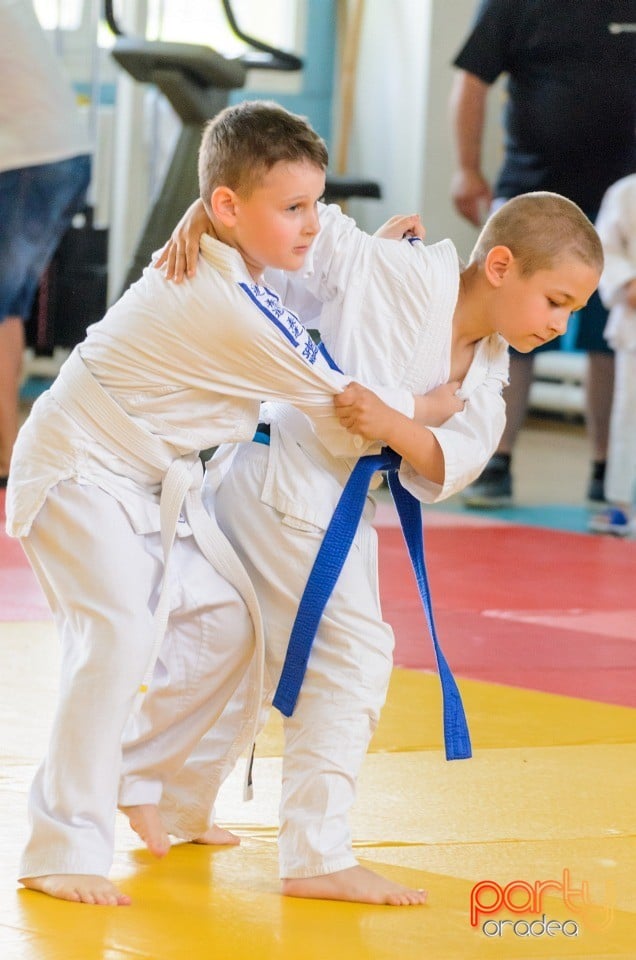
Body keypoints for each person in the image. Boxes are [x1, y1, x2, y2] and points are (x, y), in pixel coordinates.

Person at [121, 191, 602, 905]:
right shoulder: (397, 271)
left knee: (260, 651)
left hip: (315, 492)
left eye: (572, 313)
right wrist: (207, 211)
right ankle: (313, 854)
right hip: (283, 475)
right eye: (555, 301)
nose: (559, 324)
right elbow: (303, 219)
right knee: (353, 655)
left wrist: (395, 417)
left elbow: (453, 460)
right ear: (500, 265)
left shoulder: (490, 368)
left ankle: (171, 792)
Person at [4, 100, 423, 907]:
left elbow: (278, 232)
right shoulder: (225, 304)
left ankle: (140, 774)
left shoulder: (225, 250)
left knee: (229, 622)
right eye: (293, 209)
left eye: (317, 205)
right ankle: (61, 847)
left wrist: (367, 251)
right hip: (74, 470)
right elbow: (357, 406)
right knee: (116, 632)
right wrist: (443, 393)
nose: (312, 226)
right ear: (230, 209)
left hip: (140, 478)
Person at [450, 0, 636, 507]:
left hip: (625, 198)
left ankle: (608, 467)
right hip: (534, 187)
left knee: (614, 332)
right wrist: (466, 167)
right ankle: (494, 458)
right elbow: (472, 79)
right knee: (508, 320)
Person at [0, 0, 92, 487]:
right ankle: (8, 451)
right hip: (60, 155)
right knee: (7, 306)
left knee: (0, 307)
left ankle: (8, 457)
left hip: (30, 159)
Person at [588, 174, 636, 537]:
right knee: (628, 416)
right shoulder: (625, 192)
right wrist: (626, 283)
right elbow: (604, 247)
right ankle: (621, 503)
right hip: (633, 322)